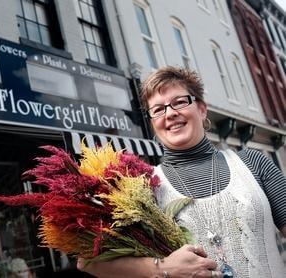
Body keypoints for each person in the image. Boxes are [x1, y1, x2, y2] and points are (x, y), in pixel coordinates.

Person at [78, 66, 286, 278]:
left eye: (179, 102)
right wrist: (164, 267)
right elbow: (87, 262)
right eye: (158, 109)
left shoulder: (252, 162)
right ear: (152, 123)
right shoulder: (143, 187)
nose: (170, 114)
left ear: (202, 109)